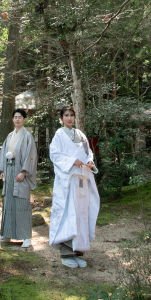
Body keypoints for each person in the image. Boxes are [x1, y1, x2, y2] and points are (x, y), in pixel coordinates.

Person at [48, 106, 100, 268]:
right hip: (68, 181)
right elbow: (55, 155)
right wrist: (72, 161)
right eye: (66, 116)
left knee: (82, 214)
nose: (69, 118)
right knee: (68, 213)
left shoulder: (81, 135)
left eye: (71, 115)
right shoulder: (59, 134)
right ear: (61, 118)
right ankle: (66, 253)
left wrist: (90, 161)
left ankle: (78, 252)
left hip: (82, 180)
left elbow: (88, 152)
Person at [0, 108, 38, 248]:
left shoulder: (27, 136)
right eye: (15, 117)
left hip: (21, 172)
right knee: (8, 202)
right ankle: (6, 235)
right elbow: (4, 154)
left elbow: (31, 156)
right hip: (9, 169)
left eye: (20, 117)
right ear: (12, 120)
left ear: (24, 119)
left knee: (22, 203)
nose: (17, 119)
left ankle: (25, 237)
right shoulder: (9, 136)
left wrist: (24, 172)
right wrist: (4, 171)